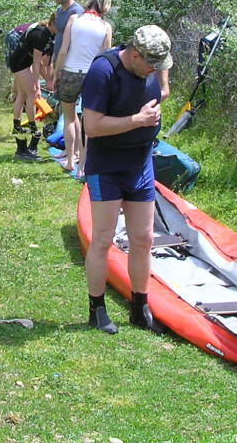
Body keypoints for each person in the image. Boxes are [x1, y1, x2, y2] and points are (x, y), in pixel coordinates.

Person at [82, 24, 173, 334]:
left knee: (144, 238)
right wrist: (139, 120)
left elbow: (161, 89)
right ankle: (96, 309)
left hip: (140, 164)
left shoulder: (153, 65)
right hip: (107, 166)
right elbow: (92, 126)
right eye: (151, 64)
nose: (155, 70)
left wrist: (158, 93)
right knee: (103, 238)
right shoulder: (103, 71)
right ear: (134, 55)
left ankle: (139, 307)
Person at [53, 0, 113, 178]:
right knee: (88, 122)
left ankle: (70, 159)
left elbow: (63, 50)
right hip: (92, 75)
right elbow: (106, 55)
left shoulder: (74, 19)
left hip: (70, 72)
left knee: (69, 118)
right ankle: (83, 166)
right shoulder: (106, 27)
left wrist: (55, 73)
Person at [5, 18, 56, 161]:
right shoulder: (41, 35)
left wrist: (50, 80)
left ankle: (17, 125)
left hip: (22, 62)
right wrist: (39, 86)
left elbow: (46, 64)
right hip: (19, 63)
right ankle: (33, 127)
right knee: (32, 94)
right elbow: (37, 63)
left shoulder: (50, 36)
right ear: (53, 23)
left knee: (22, 94)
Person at [52, 0, 84, 69]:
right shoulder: (59, 10)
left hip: (69, 64)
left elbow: (80, 41)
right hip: (58, 60)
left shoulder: (77, 12)